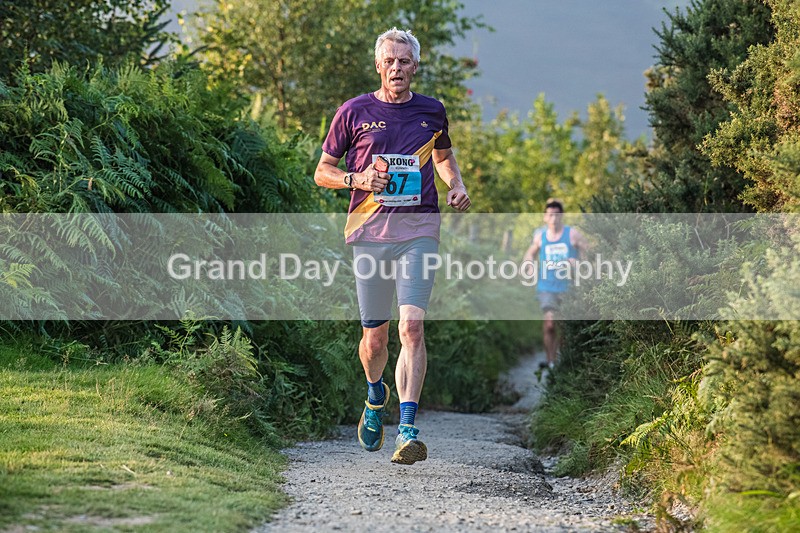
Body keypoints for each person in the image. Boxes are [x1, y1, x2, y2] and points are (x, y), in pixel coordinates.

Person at [314, 28, 470, 465]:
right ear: (379, 65)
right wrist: (357, 179)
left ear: (415, 66)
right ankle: (373, 393)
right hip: (369, 233)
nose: (397, 68)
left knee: (412, 328)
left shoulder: (432, 112)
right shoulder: (353, 112)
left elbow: (442, 158)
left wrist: (456, 185)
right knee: (375, 339)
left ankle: (406, 428)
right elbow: (322, 171)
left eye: (405, 61)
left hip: (419, 230)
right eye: (391, 61)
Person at [523, 199, 587, 370]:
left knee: (565, 326)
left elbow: (588, 253)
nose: (554, 218)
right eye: (550, 215)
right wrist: (529, 265)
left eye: (557, 215)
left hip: (569, 287)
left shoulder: (572, 234)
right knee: (550, 323)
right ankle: (551, 362)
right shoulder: (541, 236)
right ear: (545, 217)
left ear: (562, 216)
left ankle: (561, 360)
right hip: (547, 286)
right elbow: (529, 254)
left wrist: (577, 262)